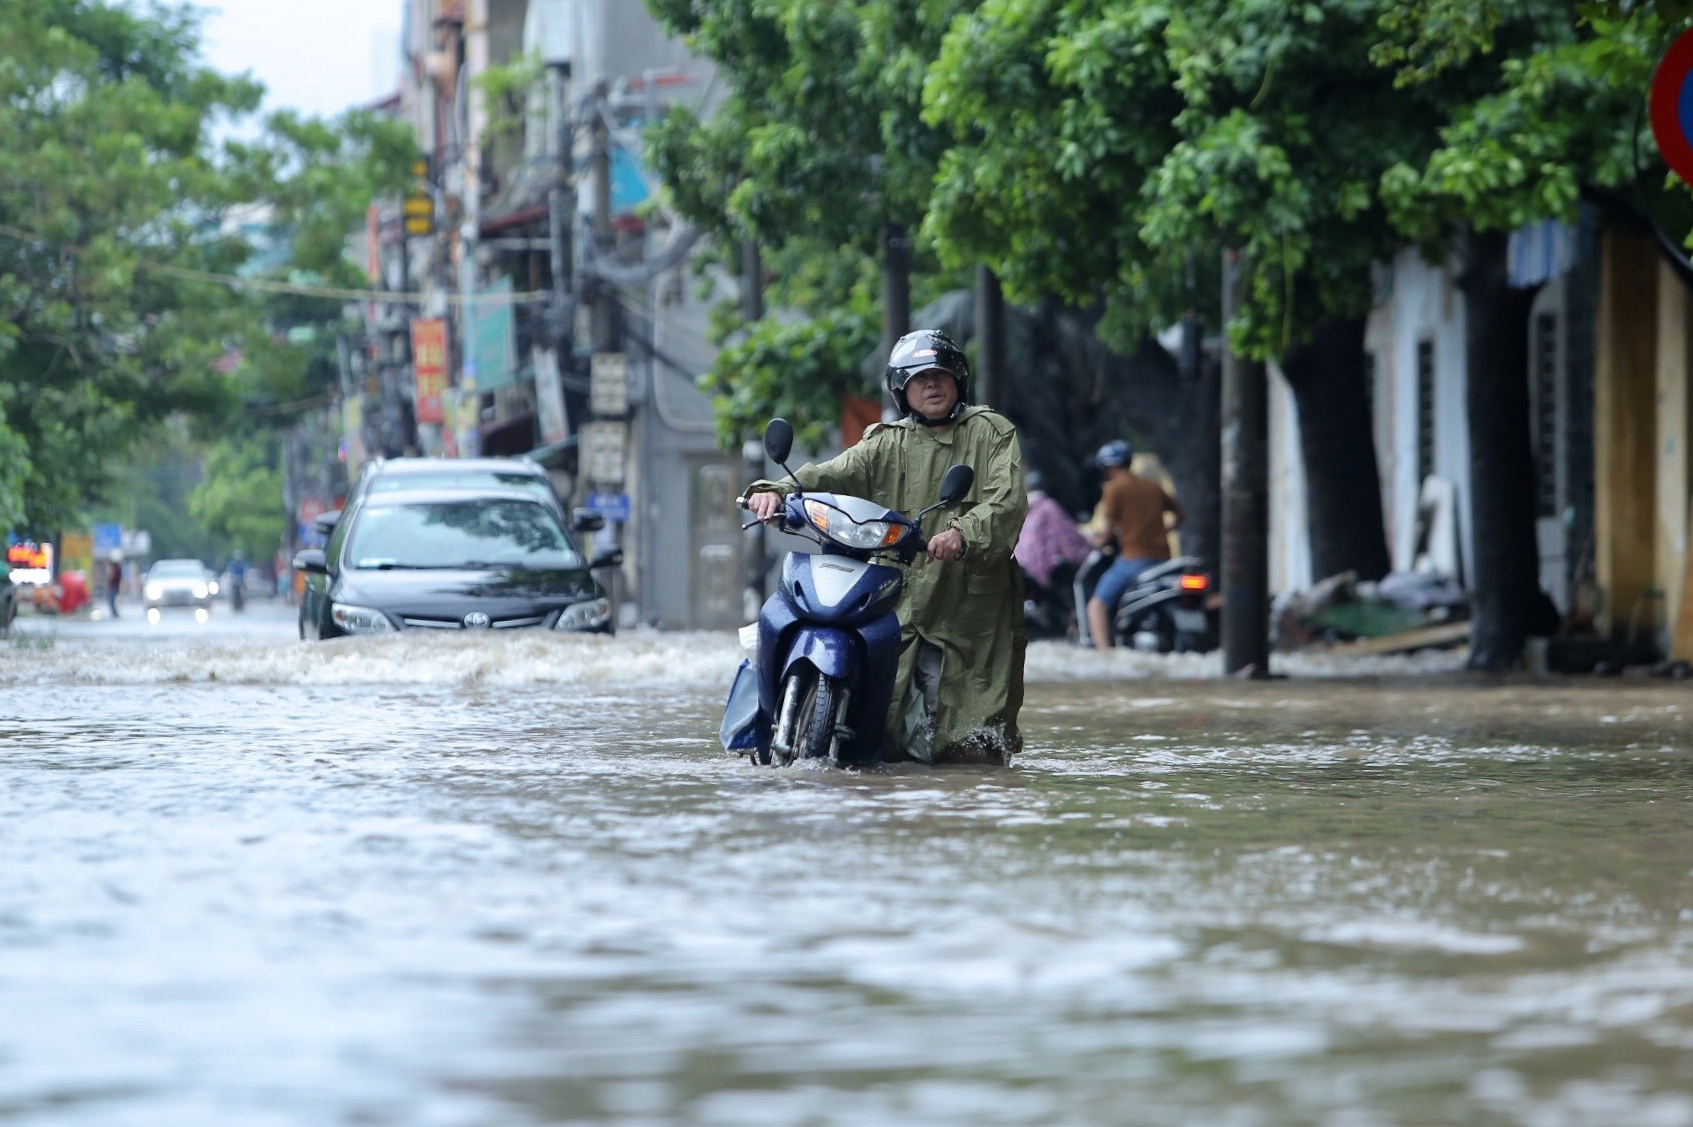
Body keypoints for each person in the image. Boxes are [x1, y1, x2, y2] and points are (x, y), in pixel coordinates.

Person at [743, 329, 1028, 764]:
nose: (931, 384)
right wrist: (776, 490)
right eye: (918, 379)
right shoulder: (886, 442)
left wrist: (962, 533)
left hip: (967, 609)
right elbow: (831, 474)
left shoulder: (991, 433)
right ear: (902, 390)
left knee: (967, 744)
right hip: (895, 593)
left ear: (958, 381)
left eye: (939, 375)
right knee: (882, 735)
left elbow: (1006, 501)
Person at [1086, 439, 1184, 650]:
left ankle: (1105, 653)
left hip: (1134, 558)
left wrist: (1093, 542)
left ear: (1109, 467)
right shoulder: (1154, 487)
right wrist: (1162, 531)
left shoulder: (1114, 489)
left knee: (1096, 606)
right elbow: (1180, 516)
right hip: (1164, 559)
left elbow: (1106, 533)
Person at [1014, 468, 1093, 609]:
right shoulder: (1049, 506)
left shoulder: (1020, 507)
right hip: (1044, 567)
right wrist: (1085, 549)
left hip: (1019, 563)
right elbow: (1066, 534)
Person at [105, 552, 122, 618]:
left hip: (114, 588)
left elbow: (111, 577)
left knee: (111, 601)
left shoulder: (117, 569)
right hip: (114, 587)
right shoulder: (118, 568)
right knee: (111, 602)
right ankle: (114, 613)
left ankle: (115, 614)